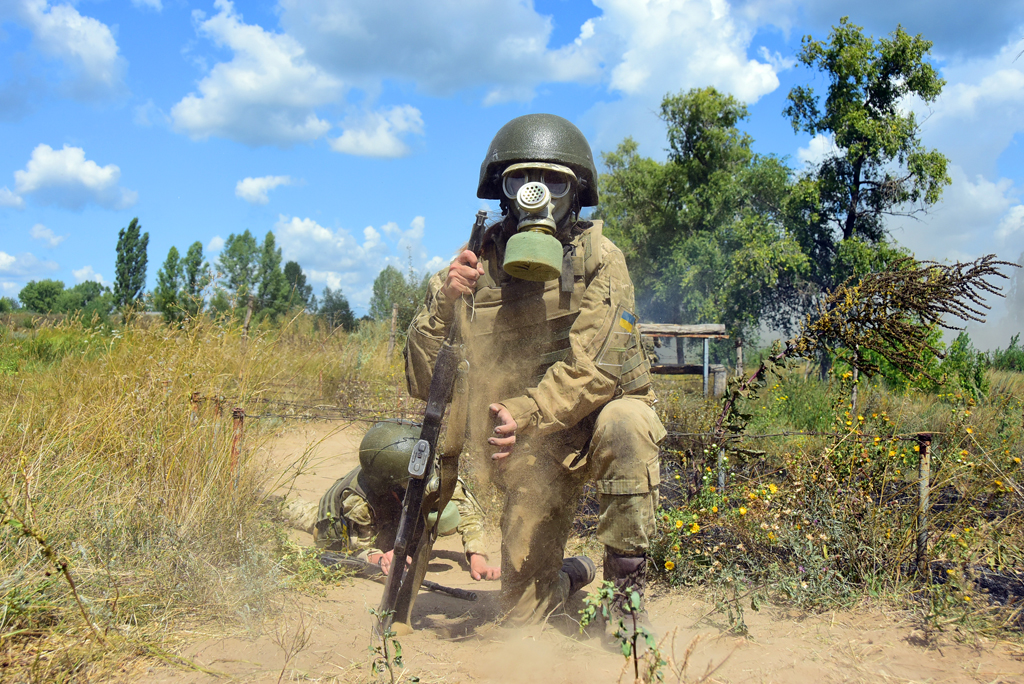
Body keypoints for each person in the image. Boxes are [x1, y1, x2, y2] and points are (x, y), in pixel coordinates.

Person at [404, 113, 666, 630]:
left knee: (629, 422)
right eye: (521, 178)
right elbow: (421, 379)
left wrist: (525, 411)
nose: (536, 192)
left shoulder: (601, 258)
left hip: (589, 424)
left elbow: (596, 369)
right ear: (501, 191)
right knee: (522, 616)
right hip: (529, 446)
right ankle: (567, 576)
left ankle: (624, 603)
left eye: (553, 180)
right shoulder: (476, 261)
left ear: (576, 192)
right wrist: (444, 300)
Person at [312, 419, 501, 581]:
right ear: (392, 484)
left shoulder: (427, 472)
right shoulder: (358, 500)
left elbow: (468, 514)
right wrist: (380, 559)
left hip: (391, 514)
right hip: (350, 520)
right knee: (302, 515)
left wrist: (477, 557)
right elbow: (358, 548)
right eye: (408, 484)